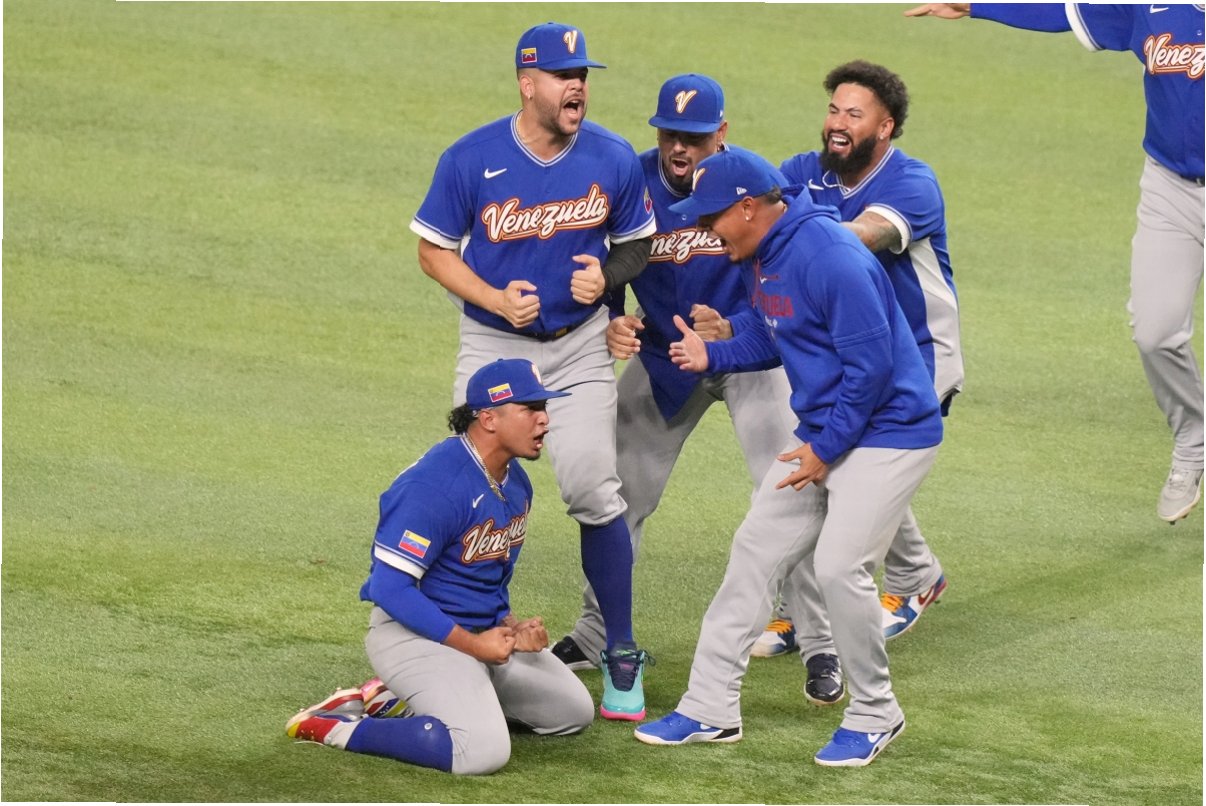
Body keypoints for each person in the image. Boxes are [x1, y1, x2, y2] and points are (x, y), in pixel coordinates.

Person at [633, 148, 943, 767]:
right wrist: (714, 354)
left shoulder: (830, 256)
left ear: (749, 207)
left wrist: (824, 451)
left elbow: (872, 369)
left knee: (839, 567)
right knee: (755, 550)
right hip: (830, 430)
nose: (705, 232)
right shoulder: (765, 254)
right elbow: (771, 331)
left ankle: (876, 712)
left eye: (711, 218)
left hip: (890, 433)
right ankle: (710, 707)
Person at [547, 74, 844, 706]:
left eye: (695, 136)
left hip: (749, 354)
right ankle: (598, 633)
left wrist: (738, 326)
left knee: (789, 491)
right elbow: (603, 260)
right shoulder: (629, 179)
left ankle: (821, 643)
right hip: (664, 357)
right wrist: (611, 318)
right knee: (614, 496)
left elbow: (785, 262)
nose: (680, 147)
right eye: (670, 134)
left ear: (722, 134)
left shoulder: (748, 184)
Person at [408, 21, 658, 720]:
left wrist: (605, 279)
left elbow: (637, 245)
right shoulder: (471, 158)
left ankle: (621, 650)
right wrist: (492, 297)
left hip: (579, 348)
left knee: (592, 487)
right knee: (470, 487)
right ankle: (450, 638)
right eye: (563, 75)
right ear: (527, 84)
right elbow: (432, 250)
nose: (577, 86)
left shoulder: (612, 157)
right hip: (493, 348)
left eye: (582, 75)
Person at [906, 3, 1205, 523]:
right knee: (1155, 332)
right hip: (1170, 188)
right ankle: (1194, 442)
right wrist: (976, 6)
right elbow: (1066, 10)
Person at [285, 359, 595, 775]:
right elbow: (389, 589)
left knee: (572, 713)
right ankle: (334, 725)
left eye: (544, 407)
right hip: (413, 636)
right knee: (481, 752)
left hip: (478, 637)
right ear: (489, 418)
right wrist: (475, 646)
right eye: (530, 408)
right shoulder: (433, 486)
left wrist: (512, 625)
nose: (545, 420)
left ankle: (396, 697)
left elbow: (485, 575)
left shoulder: (516, 483)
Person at [754, 60, 964, 657]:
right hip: (847, 357)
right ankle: (820, 610)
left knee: (855, 463)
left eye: (854, 114)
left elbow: (858, 238)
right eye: (833, 110)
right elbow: (756, 218)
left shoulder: (912, 184)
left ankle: (908, 579)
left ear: (885, 127)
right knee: (841, 466)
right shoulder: (803, 172)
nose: (838, 123)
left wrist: (787, 234)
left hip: (918, 358)